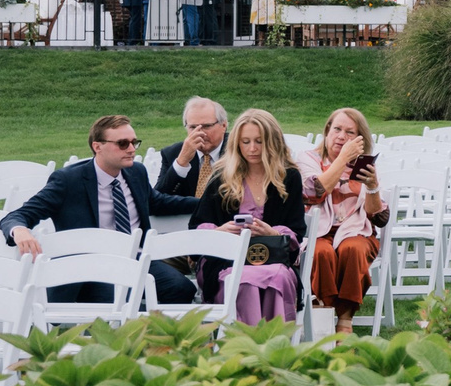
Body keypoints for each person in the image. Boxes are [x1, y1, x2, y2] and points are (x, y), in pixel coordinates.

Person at [0, 113, 200, 307]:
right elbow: (18, 216)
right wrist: (19, 229)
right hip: (93, 265)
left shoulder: (136, 172)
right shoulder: (68, 181)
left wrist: (207, 202)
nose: (131, 149)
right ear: (98, 147)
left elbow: (158, 202)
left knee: (181, 288)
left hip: (137, 258)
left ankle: (159, 338)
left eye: (134, 142)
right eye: (123, 143)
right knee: (124, 302)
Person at [190, 108, 308, 325]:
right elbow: (197, 226)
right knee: (243, 280)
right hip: (225, 261)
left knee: (278, 276)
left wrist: (272, 233)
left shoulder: (288, 176)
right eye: (245, 141)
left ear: (272, 142)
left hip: (273, 258)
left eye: (259, 141)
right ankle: (245, 346)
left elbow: (297, 230)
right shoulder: (222, 176)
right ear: (236, 143)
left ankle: (275, 342)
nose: (252, 148)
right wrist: (219, 232)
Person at [305, 107, 388, 334]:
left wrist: (372, 186)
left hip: (356, 231)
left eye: (349, 132)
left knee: (352, 248)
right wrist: (342, 158)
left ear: (360, 140)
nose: (342, 136)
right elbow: (314, 193)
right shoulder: (309, 159)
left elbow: (377, 217)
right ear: (327, 132)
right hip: (317, 231)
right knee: (320, 252)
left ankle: (345, 318)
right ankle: (325, 310)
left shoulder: (365, 165)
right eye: (337, 129)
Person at [155, 97, 231, 204]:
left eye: (207, 126)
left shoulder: (238, 149)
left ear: (223, 125)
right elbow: (157, 201)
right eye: (192, 127)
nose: (200, 133)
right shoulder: (173, 154)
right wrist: (181, 163)